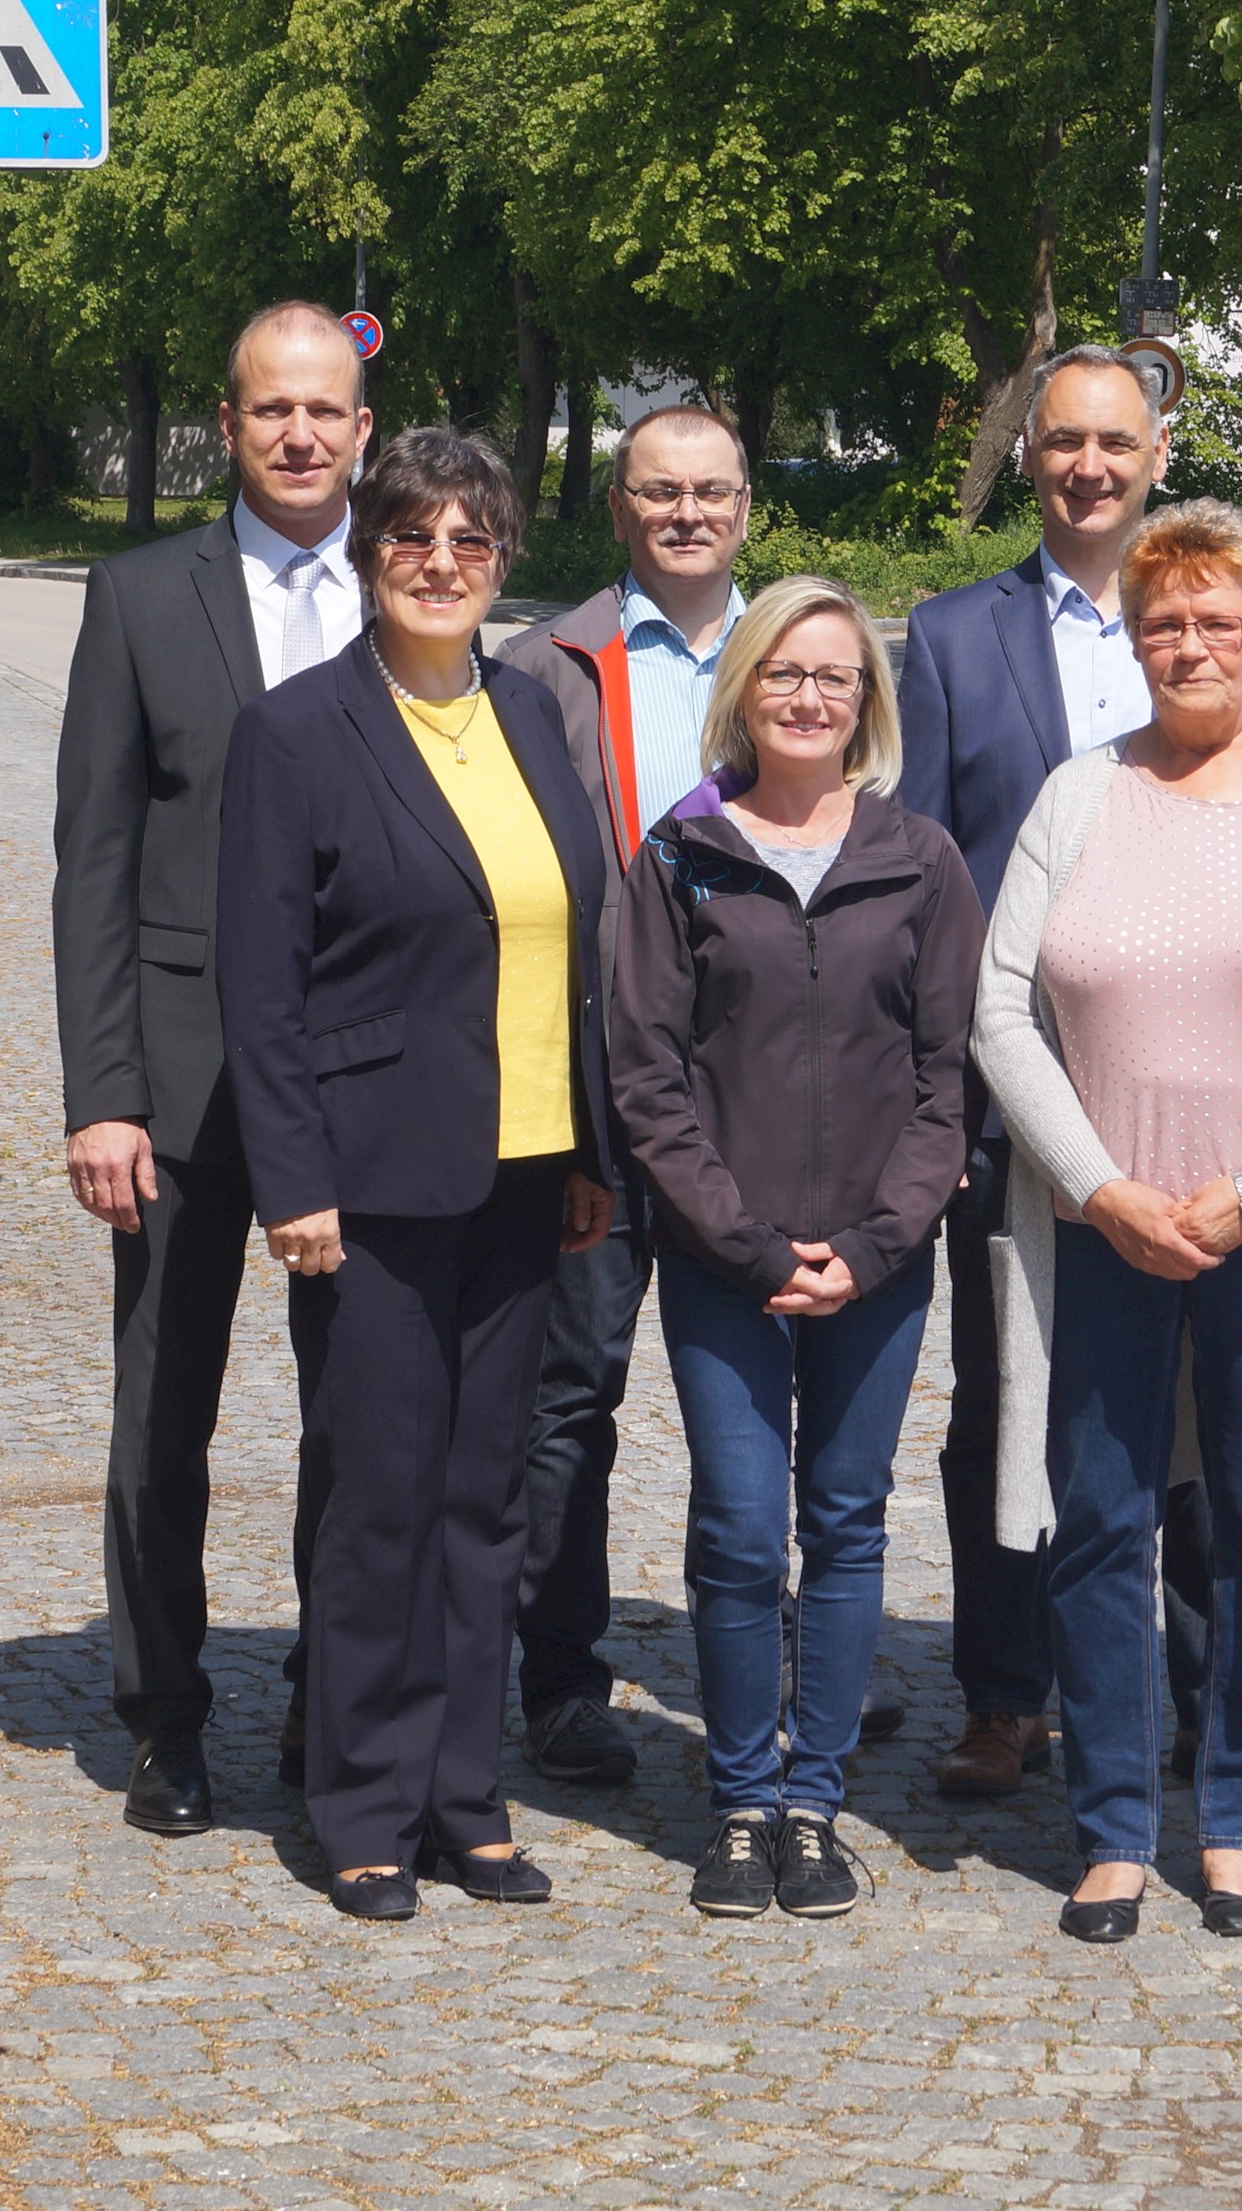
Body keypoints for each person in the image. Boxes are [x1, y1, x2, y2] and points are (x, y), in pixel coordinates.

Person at [971, 500, 1242, 1942]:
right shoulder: (1077, 794)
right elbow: (1000, 1011)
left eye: (1218, 618)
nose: (1189, 642)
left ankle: (1236, 1815)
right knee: (1096, 1524)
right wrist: (1099, 1188)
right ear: (1132, 638)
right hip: (1099, 1224)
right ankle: (1109, 1828)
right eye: (1162, 619)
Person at [215, 428, 622, 1921]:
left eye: (472, 541)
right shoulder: (301, 732)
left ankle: (466, 1789)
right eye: (412, 539)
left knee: (484, 1494)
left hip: (526, 1168)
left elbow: (565, 944)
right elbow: (263, 988)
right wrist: (291, 1180)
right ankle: (364, 1798)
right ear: (370, 555)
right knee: (378, 1494)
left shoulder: (527, 714)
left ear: (504, 559)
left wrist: (583, 1147)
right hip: (371, 1182)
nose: (442, 565)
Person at [898, 346, 1242, 1799]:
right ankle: (1007, 1690)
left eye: (1114, 443)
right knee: (1010, 1402)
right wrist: (947, 1098)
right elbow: (930, 880)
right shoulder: (953, 638)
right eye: (1063, 440)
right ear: (1033, 457)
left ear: (1156, 454)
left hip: (1213, 1089)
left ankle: (1197, 1700)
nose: (1088, 464)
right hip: (1027, 1093)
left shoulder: (1238, 614)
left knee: (1208, 1418)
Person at [608, 578, 985, 1919]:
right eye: (785, 673)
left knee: (845, 1524)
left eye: (835, 677)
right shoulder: (681, 854)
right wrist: (749, 1241)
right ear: (746, 691)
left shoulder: (921, 859)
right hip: (724, 1262)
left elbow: (951, 1079)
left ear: (866, 702)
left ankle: (815, 1802)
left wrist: (878, 1243)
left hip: (876, 1265)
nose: (809, 696)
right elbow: (647, 1076)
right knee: (737, 1526)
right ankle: (738, 1800)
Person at [51, 299, 369, 1839]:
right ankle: (167, 1716)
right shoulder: (136, 598)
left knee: (358, 1416)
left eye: (325, 411)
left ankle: (335, 1698)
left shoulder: (420, 581)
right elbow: (92, 865)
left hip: (360, 1082)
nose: (299, 435)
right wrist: (101, 1092)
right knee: (166, 1409)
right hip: (178, 1087)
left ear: (364, 429)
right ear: (228, 426)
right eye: (270, 412)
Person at [494, 398, 759, 1788]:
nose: (686, 514)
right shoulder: (545, 665)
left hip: (759, 1101)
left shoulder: (802, 652)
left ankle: (764, 1670)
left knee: (761, 1395)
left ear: (746, 502)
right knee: (571, 1396)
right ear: (622, 508)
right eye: (660, 491)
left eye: (710, 491)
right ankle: (560, 1675)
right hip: (597, 1092)